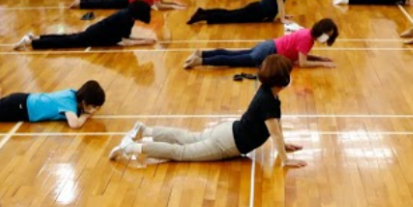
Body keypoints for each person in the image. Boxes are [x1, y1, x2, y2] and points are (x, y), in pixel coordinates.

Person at [109, 55, 304, 166]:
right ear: (282, 80)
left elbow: (277, 127)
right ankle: (131, 148)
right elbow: (275, 132)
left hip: (227, 131)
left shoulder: (269, 94)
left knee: (187, 138)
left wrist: (284, 145)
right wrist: (285, 160)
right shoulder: (269, 100)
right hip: (227, 143)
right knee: (182, 152)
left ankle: (145, 131)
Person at [183, 18, 338, 69]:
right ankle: (200, 61)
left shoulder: (306, 32)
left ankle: (202, 53)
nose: (326, 38)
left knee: (233, 53)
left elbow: (300, 54)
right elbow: (302, 63)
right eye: (327, 35)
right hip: (267, 54)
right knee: (233, 61)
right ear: (321, 31)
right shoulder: (307, 39)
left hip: (267, 45)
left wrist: (319, 58)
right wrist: (322, 64)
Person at [14, 0, 156, 50]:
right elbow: (125, 42)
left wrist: (143, 41)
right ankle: (32, 43)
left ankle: (36, 38)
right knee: (67, 42)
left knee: (67, 38)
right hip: (95, 35)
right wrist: (145, 42)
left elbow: (126, 38)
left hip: (97, 33)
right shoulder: (125, 18)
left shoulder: (128, 17)